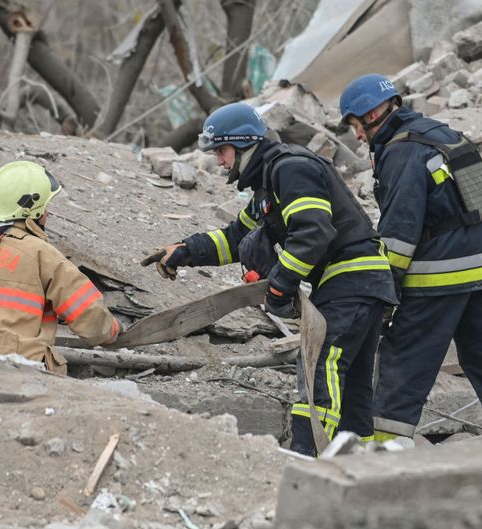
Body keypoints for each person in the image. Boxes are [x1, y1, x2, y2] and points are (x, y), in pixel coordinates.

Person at [146, 102, 397, 456]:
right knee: (352, 384)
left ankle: (306, 463)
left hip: (352, 282)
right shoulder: (270, 184)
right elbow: (236, 237)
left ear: (244, 143)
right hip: (362, 284)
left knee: (318, 367)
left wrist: (279, 285)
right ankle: (364, 470)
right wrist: (186, 250)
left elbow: (312, 232)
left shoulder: (290, 169)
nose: (220, 162)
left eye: (222, 151)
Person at [339, 74, 482, 442]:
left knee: (403, 365)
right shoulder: (445, 135)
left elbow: (399, 234)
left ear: (374, 112)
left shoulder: (400, 151)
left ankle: (384, 460)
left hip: (439, 280)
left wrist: (383, 294)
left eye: (355, 125)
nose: (357, 137)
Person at [0, 160, 119, 374]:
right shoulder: (41, 254)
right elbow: (90, 317)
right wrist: (112, 333)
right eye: (45, 206)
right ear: (34, 211)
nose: (48, 213)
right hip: (20, 372)